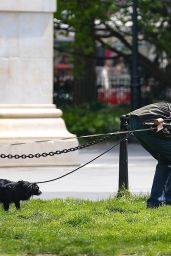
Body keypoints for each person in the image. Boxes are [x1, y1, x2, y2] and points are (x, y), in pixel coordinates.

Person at [127, 102, 171, 208]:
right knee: (166, 160)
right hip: (145, 122)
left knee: (165, 160)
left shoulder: (166, 106)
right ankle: (163, 199)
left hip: (134, 120)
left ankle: (156, 201)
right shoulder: (168, 109)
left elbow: (164, 131)